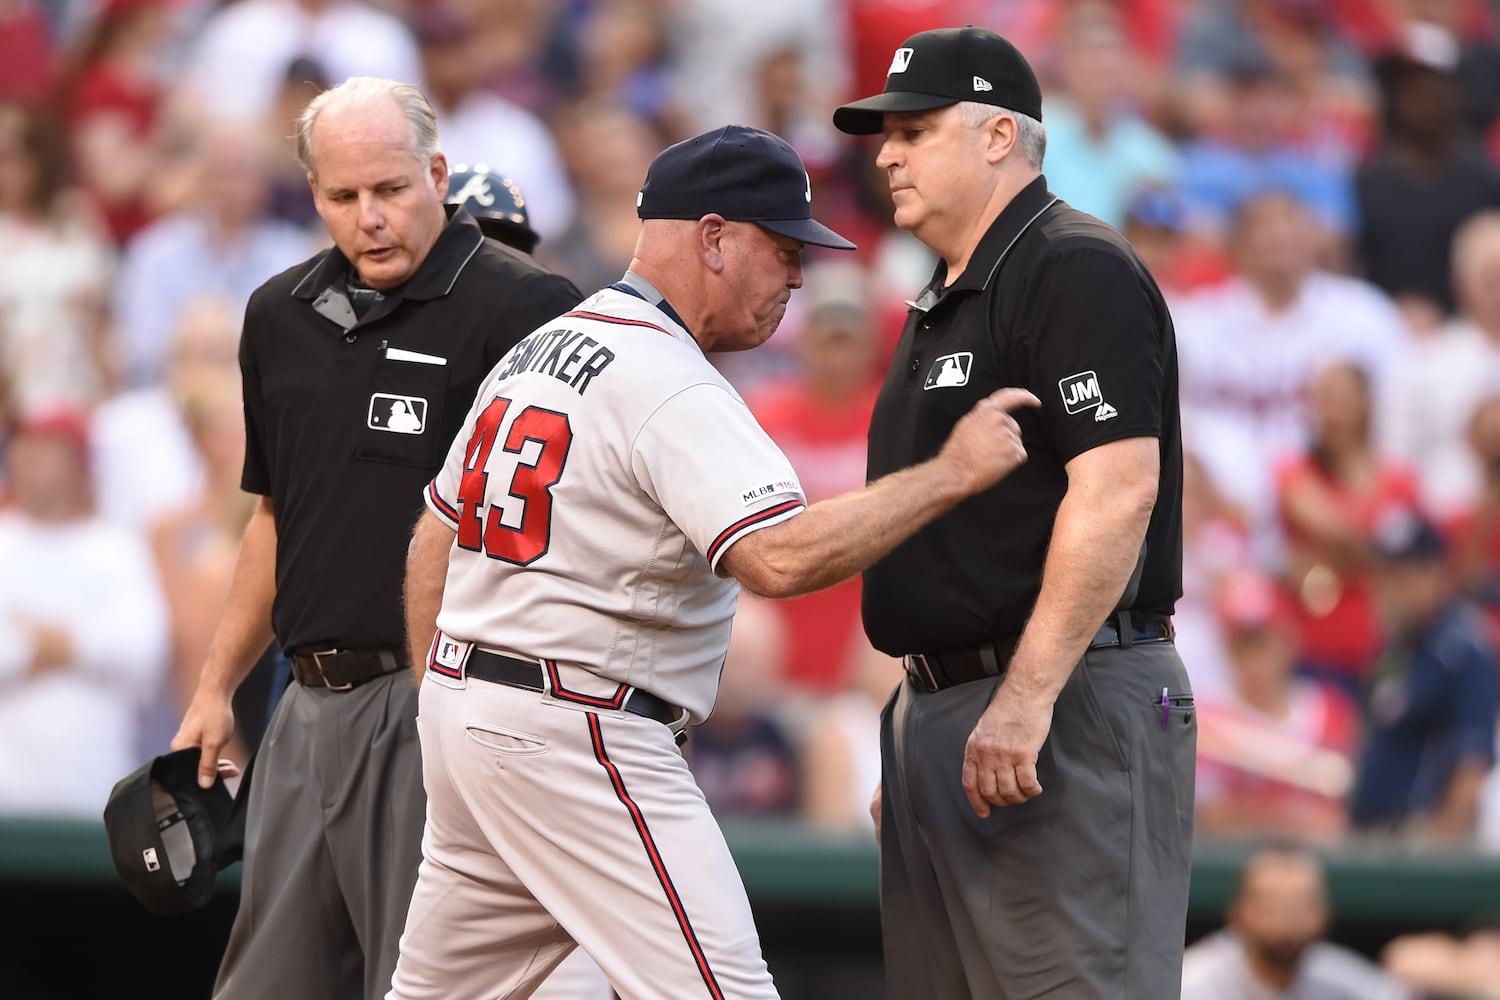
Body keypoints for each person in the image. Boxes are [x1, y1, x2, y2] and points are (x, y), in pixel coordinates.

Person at [389, 123, 1037, 1000]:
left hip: (477, 709)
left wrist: (447, 697)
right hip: (579, 722)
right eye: (783, 249)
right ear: (714, 238)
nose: (800, 277)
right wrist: (949, 475)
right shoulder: (672, 379)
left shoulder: (539, 348)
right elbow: (776, 558)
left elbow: (437, 530)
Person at [168, 77, 583, 1000]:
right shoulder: (276, 314)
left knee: (423, 984)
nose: (371, 218)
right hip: (303, 709)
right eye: (343, 196)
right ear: (313, 195)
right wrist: (214, 687)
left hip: (440, 699)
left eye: (392, 190)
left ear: (437, 173)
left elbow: (567, 536)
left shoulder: (528, 308)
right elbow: (274, 520)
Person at [832, 26, 1194, 998]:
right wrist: (920, 719)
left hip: (1064, 702)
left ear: (999, 136)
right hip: (962, 713)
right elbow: (957, 550)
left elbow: (1119, 488)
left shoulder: (1071, 265)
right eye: (884, 135)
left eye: (914, 129)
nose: (888, 153)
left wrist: (1023, 699)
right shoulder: (945, 295)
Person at [1349, 509, 1499, 841]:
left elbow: (1471, 761)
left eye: (1405, 576)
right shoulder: (1396, 647)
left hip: (1421, 832)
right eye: (1385, 574)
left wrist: (1439, 845)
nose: (1391, 588)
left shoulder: (1459, 650)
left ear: (1438, 575)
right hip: (1376, 832)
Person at [1180, 842, 1414, 999]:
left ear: (1324, 914)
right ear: (1237, 914)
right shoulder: (1195, 983)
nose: (1285, 922)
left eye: (1300, 907)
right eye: (1270, 906)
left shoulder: (1331, 974)